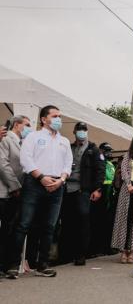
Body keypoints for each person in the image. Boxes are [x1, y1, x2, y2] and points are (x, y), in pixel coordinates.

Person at [7, 105, 72, 279]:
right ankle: (13, 264)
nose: (59, 119)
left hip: (57, 186)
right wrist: (41, 177)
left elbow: (68, 164)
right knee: (24, 224)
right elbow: (25, 159)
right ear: (44, 119)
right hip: (35, 183)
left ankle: (43, 265)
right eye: (55, 115)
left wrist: (61, 180)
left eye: (60, 115)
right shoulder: (33, 137)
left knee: (49, 227)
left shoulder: (64, 141)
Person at [61, 122, 104, 266]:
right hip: (67, 188)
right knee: (67, 221)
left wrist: (98, 189)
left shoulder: (93, 149)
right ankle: (66, 254)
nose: (81, 132)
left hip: (83, 190)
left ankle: (81, 254)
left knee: (83, 222)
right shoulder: (69, 147)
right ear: (74, 132)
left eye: (84, 130)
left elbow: (100, 170)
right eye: (79, 129)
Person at [0, 115, 31, 276]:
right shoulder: (6, 140)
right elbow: (3, 164)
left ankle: (6, 265)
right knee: (4, 229)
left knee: (10, 229)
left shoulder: (23, 143)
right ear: (17, 125)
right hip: (5, 191)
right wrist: (15, 186)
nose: (29, 128)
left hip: (17, 193)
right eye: (27, 125)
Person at [111, 130, 133, 264]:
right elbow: (124, 171)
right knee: (125, 218)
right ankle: (123, 251)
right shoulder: (128, 155)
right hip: (127, 189)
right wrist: (129, 184)